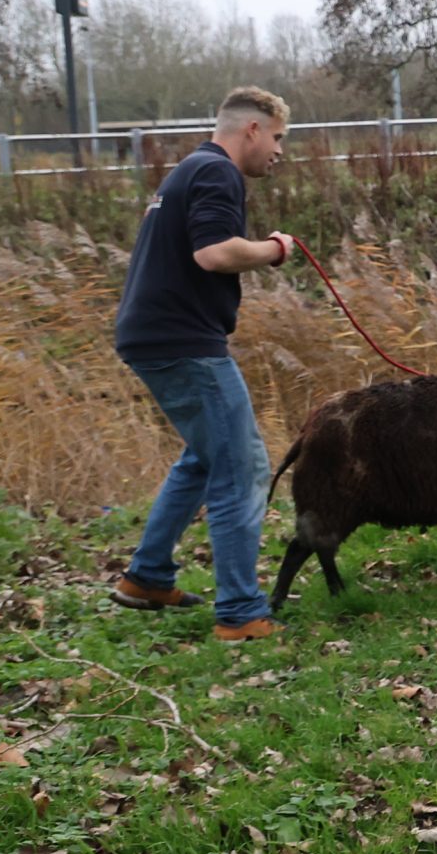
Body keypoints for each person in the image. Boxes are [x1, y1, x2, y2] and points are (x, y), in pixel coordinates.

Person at [110, 87, 297, 641]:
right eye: (279, 138)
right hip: (182, 341)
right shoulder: (217, 174)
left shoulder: (190, 169)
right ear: (253, 130)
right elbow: (214, 253)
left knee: (205, 458)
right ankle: (240, 613)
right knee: (242, 468)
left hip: (153, 335)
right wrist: (274, 248)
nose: (280, 152)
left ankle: (146, 578)